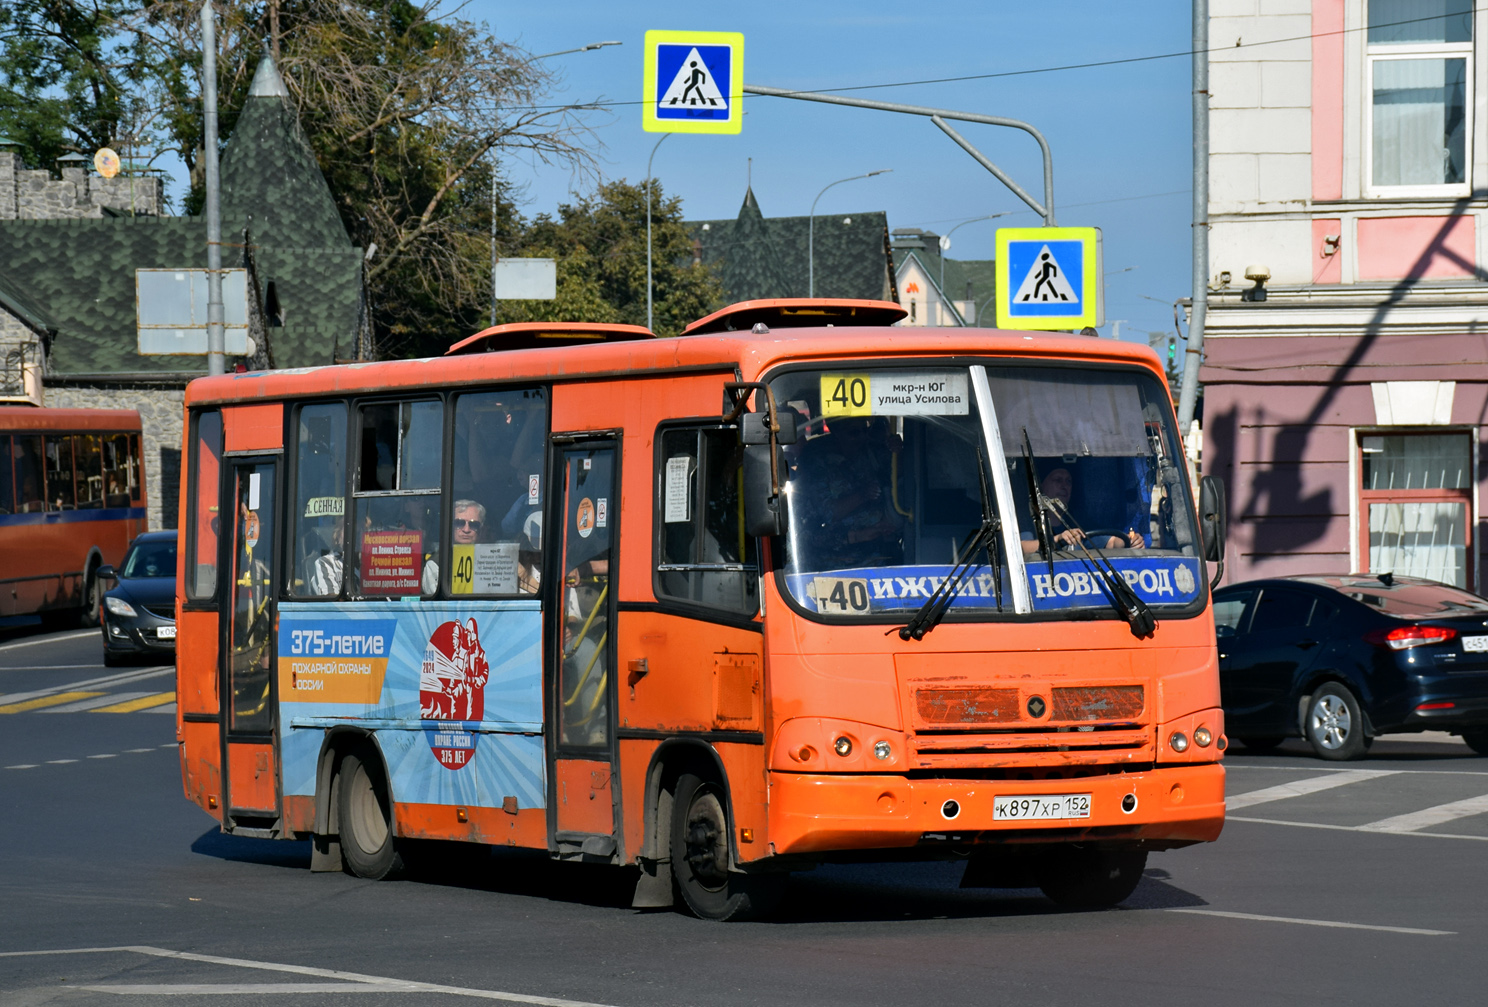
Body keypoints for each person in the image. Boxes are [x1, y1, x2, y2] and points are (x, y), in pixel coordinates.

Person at [791, 416, 905, 568]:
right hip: (834, 561)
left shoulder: (870, 452)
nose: (862, 437)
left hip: (878, 556)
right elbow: (829, 513)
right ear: (836, 432)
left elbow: (900, 479)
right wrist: (863, 495)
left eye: (865, 431)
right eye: (854, 432)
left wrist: (897, 451)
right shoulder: (817, 462)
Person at [1022, 465, 1145, 554]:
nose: (1064, 486)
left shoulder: (1077, 521)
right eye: (1058, 480)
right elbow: (1021, 548)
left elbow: (1111, 543)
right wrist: (1058, 539)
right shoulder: (1028, 519)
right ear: (1042, 486)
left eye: (1068, 481)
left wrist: (1129, 541)